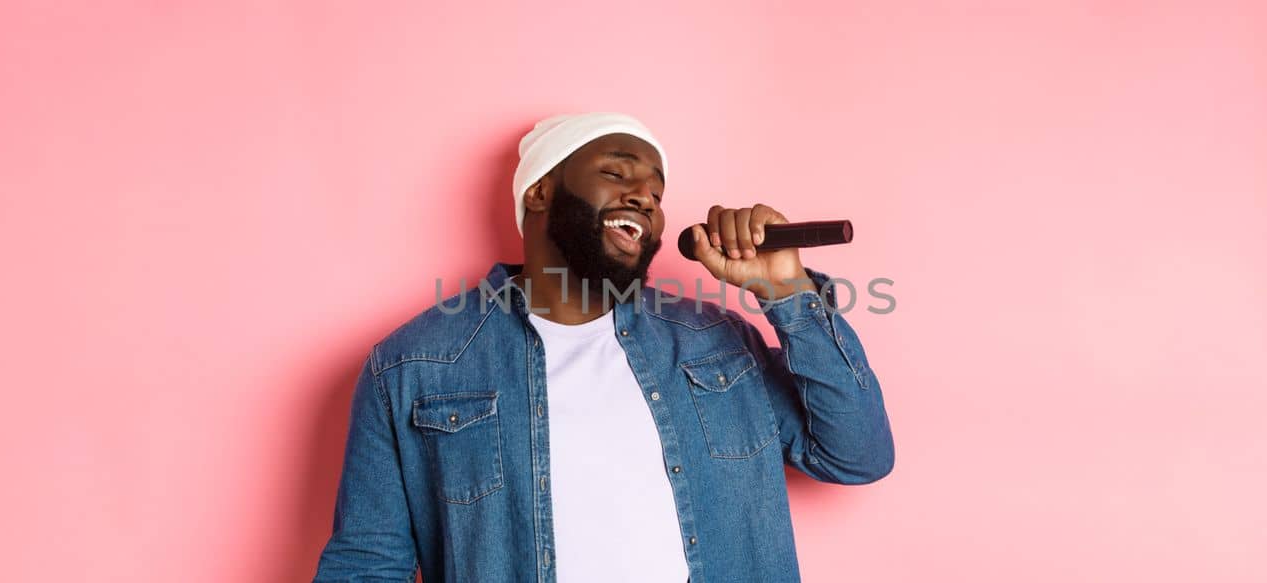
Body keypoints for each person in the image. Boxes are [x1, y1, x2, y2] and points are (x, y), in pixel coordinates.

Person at [312, 112, 895, 583]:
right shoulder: (412, 366)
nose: (645, 197)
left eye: (656, 191)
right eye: (617, 174)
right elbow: (367, 564)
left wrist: (785, 290)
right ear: (539, 192)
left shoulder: (714, 343)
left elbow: (856, 455)